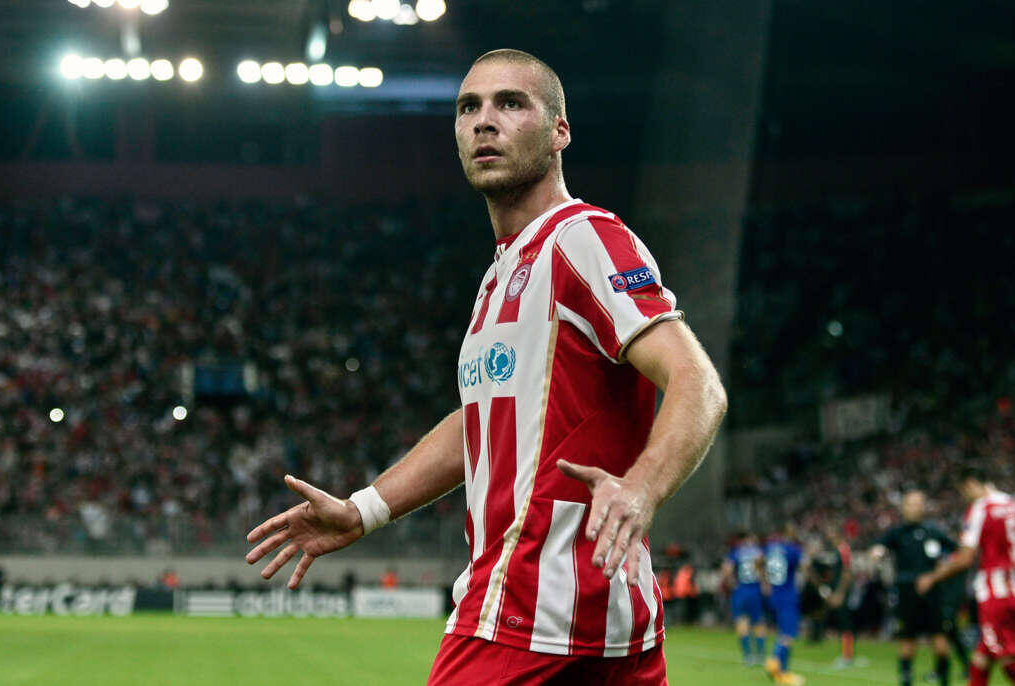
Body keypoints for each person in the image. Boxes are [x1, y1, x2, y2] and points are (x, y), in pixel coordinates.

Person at [244, 48, 728, 685]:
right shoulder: (502, 277)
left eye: (511, 103)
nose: (484, 120)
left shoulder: (581, 239)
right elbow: (480, 423)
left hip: (524, 616)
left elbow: (697, 382)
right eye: (469, 106)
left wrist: (642, 487)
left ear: (560, 131)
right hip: (607, 624)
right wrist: (363, 510)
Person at [917, 466, 1015, 686]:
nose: (965, 497)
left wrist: (933, 577)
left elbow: (965, 558)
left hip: (995, 597)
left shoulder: (980, 509)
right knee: (981, 658)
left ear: (970, 483)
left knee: (1008, 659)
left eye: (963, 492)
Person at [869, 490, 957, 686]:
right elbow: (878, 547)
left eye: (917, 504)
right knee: (907, 641)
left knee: (941, 643)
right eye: (909, 504)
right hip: (907, 594)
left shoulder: (934, 531)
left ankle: (944, 679)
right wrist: (877, 552)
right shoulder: (897, 532)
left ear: (924, 506)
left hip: (934, 593)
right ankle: (906, 681)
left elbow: (957, 553)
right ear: (903, 507)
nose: (913, 508)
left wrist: (939, 573)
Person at [809, 525, 857, 668]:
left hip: (841, 592)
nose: (829, 536)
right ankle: (846, 654)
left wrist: (840, 593)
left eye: (831, 533)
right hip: (835, 591)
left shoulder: (843, 549)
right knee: (841, 622)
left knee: (845, 622)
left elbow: (847, 573)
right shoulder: (836, 550)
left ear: (837, 534)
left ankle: (847, 656)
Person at [763, 525, 806, 686]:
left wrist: (765, 582)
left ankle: (780, 671)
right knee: (788, 634)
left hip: (774, 595)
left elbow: (759, 561)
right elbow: (805, 566)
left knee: (782, 632)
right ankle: (777, 667)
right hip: (788, 596)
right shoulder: (794, 550)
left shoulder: (770, 548)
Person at [721, 531, 767, 665]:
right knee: (758, 622)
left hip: (741, 590)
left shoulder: (736, 552)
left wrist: (730, 583)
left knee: (741, 621)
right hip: (755, 590)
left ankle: (748, 656)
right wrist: (765, 583)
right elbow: (763, 570)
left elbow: (727, 570)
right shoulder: (758, 552)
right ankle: (760, 655)